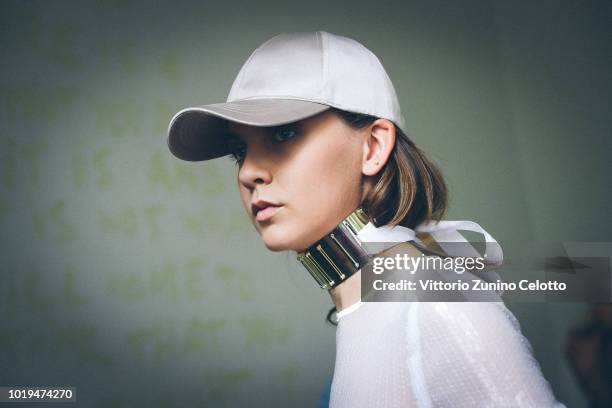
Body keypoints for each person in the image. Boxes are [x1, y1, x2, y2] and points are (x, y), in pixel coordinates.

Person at [167, 31, 566, 407]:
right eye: (240, 151)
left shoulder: (431, 306)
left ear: (373, 146)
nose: (247, 172)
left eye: (283, 134)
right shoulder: (374, 307)